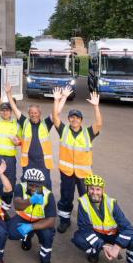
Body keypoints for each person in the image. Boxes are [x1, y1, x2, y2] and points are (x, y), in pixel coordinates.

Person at [72, 174, 133, 263]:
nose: (94, 192)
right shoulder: (83, 202)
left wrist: (117, 247)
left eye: (98, 189)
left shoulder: (111, 203)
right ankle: (96, 251)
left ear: (103, 190)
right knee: (79, 239)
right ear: (87, 188)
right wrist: (102, 245)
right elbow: (84, 228)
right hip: (98, 235)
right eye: (91, 188)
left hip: (114, 235)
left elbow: (128, 228)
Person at [51, 86, 102, 233]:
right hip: (67, 172)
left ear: (81, 120)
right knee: (66, 198)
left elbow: (98, 124)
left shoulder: (88, 133)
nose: (74, 119)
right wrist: (57, 100)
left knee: (85, 199)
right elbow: (55, 117)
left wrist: (96, 107)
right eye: (72, 117)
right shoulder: (64, 130)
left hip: (83, 174)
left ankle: (85, 224)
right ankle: (64, 221)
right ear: (69, 119)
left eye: (77, 117)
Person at [7, 168, 57, 263]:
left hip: (40, 222)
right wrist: (31, 200)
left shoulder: (48, 195)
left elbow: (51, 221)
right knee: (11, 233)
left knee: (48, 236)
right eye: (31, 185)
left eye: (37, 186)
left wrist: (31, 227)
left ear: (42, 185)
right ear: (27, 182)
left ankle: (45, 260)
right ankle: (27, 237)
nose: (34, 188)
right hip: (23, 218)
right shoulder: (20, 187)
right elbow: (17, 205)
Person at [6, 83, 55, 190]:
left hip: (43, 163)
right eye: (31, 113)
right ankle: (28, 204)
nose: (33, 114)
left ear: (40, 113)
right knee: (27, 186)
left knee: (45, 186)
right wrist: (8, 93)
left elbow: (56, 113)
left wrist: (59, 99)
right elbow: (14, 108)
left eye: (36, 112)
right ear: (28, 114)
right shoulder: (25, 122)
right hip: (28, 162)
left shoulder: (46, 124)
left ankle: (46, 205)